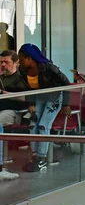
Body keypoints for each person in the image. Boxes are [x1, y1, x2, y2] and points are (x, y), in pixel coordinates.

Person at [18, 44, 71, 172]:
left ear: (29, 58)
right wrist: (30, 104)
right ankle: (35, 156)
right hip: (39, 98)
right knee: (33, 125)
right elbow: (27, 89)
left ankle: (42, 159)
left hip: (54, 98)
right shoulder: (23, 70)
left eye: (21, 59)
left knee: (43, 126)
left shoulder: (48, 68)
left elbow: (66, 83)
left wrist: (66, 104)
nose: (20, 62)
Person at [0, 50, 28, 126]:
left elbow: (25, 98)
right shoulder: (1, 78)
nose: (3, 64)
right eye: (1, 62)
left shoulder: (22, 78)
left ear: (16, 63)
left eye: (6, 62)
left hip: (15, 111)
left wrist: (3, 93)